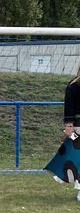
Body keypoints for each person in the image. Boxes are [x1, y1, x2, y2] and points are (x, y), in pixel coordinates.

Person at [45, 64, 80, 201]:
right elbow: (69, 107)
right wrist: (69, 125)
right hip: (77, 126)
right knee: (77, 159)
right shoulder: (73, 86)